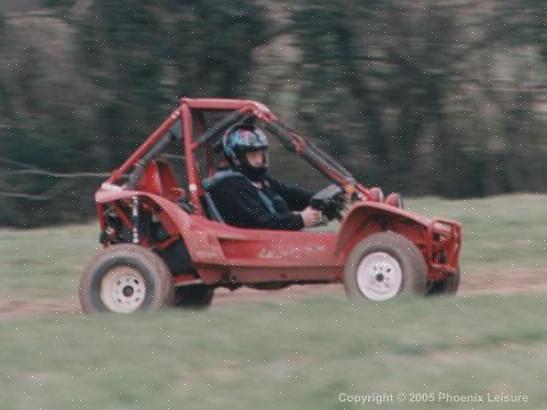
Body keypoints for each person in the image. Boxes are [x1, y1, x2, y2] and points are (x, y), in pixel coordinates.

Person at [205, 125, 322, 230]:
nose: (258, 160)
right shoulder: (231, 185)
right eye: (252, 155)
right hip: (255, 247)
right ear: (237, 157)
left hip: (274, 242)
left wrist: (320, 198)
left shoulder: (259, 179)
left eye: (261, 154)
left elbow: (289, 194)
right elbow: (259, 222)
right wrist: (300, 220)